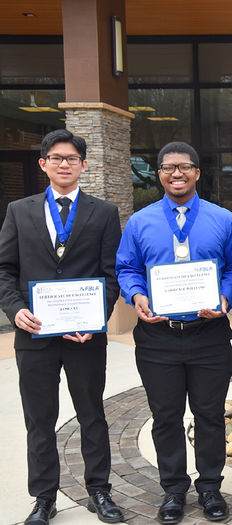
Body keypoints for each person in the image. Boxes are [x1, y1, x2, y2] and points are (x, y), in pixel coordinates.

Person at [0, 129, 124, 525]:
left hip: (84, 336)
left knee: (92, 414)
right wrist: (15, 309)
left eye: (72, 158)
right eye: (56, 158)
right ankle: (44, 498)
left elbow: (111, 274)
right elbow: (5, 270)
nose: (64, 164)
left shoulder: (103, 212)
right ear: (43, 164)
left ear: (84, 165)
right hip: (34, 334)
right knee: (39, 419)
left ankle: (99, 491)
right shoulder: (19, 211)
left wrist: (96, 319)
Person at [116, 141, 232, 524]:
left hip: (209, 334)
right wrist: (136, 295)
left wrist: (224, 296)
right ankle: (173, 490)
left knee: (209, 416)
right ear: (159, 174)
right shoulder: (140, 222)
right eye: (168, 168)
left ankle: (209, 487)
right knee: (165, 416)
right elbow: (127, 269)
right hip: (158, 337)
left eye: (185, 167)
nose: (176, 174)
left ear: (197, 173)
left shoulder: (224, 220)